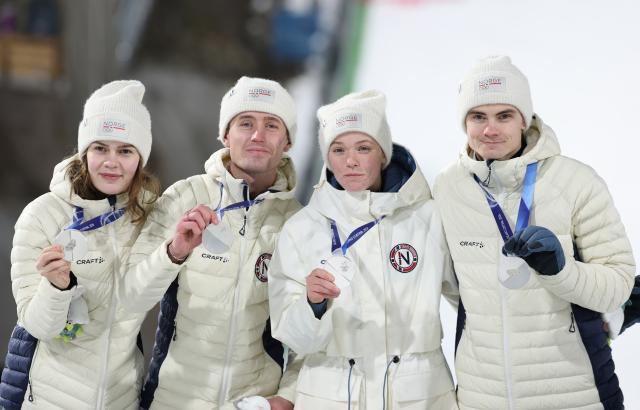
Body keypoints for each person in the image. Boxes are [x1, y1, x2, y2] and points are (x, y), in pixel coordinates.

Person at [432, 55, 636, 410]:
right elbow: (454, 287)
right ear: (464, 122)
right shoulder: (448, 188)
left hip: (575, 393)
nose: (490, 129)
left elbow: (618, 286)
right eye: (478, 116)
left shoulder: (576, 182)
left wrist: (561, 271)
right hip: (483, 397)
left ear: (524, 119)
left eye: (504, 116)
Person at [268, 90, 459, 409]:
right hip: (330, 396)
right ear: (327, 158)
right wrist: (313, 305)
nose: (351, 161)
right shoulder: (302, 229)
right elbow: (295, 338)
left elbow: (472, 302)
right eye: (338, 149)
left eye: (363, 148)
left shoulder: (428, 218)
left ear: (383, 153)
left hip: (419, 396)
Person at [120, 76, 301, 410]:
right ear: (225, 135)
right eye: (246, 123)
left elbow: (315, 335)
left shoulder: (302, 225)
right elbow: (129, 298)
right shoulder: (185, 197)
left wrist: (287, 398)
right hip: (173, 400)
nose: (258, 136)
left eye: (272, 125)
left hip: (253, 403)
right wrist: (172, 254)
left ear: (288, 141)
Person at [0, 80, 160, 409]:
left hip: (121, 399)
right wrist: (57, 288)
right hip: (50, 399)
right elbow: (38, 325)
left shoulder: (150, 218)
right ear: (84, 151)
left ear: (140, 159)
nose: (111, 162)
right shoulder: (43, 216)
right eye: (100, 148)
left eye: (125, 150)